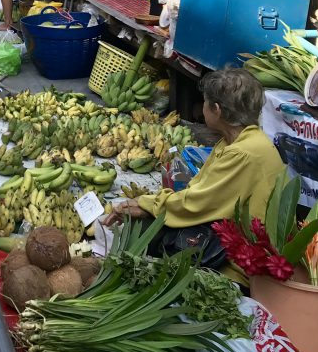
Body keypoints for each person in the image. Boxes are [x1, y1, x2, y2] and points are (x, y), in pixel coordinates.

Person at [103, 69, 285, 278]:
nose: (202, 108)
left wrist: (147, 204)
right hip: (228, 235)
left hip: (238, 260)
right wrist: (149, 203)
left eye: (205, 103)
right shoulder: (241, 141)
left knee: (140, 232)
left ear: (216, 110)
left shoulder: (243, 153)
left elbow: (196, 203)